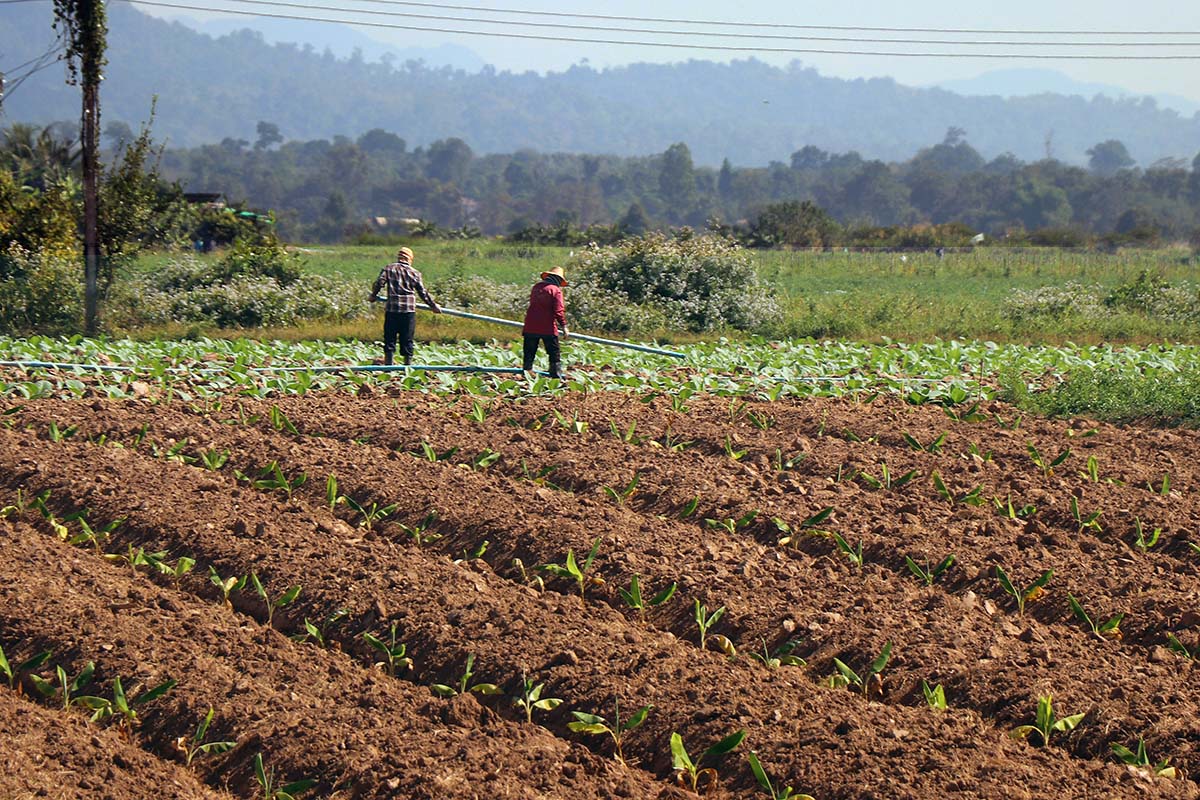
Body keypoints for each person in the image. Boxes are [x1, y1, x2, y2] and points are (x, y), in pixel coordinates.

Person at [370, 247, 441, 365]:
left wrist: (373, 295)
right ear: (410, 259)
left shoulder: (389, 269)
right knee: (407, 339)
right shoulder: (415, 273)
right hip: (408, 311)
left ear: (399, 257)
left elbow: (379, 283)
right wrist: (433, 306)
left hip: (392, 309)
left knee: (389, 338)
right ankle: (407, 367)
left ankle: (388, 366)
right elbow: (422, 292)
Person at [522, 266, 568, 380]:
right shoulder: (556, 290)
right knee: (554, 353)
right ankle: (556, 377)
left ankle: (526, 375)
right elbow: (558, 311)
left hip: (530, 326)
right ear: (558, 280)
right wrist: (564, 326)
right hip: (547, 327)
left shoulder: (536, 287)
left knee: (529, 352)